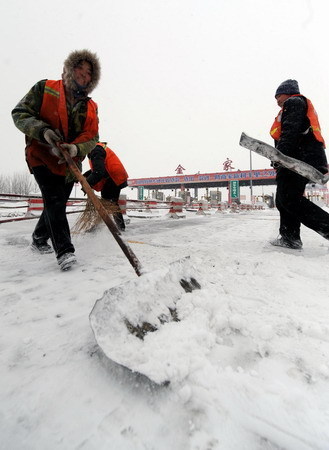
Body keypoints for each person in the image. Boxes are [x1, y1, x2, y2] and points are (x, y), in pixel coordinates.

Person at [12, 49, 101, 270]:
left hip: (69, 164)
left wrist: (75, 148)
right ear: (70, 69)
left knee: (56, 203)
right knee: (54, 201)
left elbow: (93, 137)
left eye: (88, 72)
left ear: (92, 78)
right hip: (41, 155)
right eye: (79, 68)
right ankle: (64, 252)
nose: (83, 73)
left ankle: (39, 238)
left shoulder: (90, 107)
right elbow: (20, 112)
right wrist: (43, 131)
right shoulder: (45, 88)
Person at [270, 79, 329, 249]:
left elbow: (290, 131)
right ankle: (290, 238)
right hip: (297, 158)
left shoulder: (294, 102)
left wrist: (280, 156)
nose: (277, 101)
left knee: (289, 199)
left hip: (299, 158)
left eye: (278, 96)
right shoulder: (294, 104)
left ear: (287, 93)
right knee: (284, 199)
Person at [83, 142, 128, 230]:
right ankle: (120, 227)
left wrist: (87, 184)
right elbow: (98, 167)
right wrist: (86, 175)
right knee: (112, 203)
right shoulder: (97, 149)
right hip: (114, 176)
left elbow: (99, 171)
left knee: (106, 202)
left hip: (113, 177)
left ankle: (98, 227)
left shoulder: (96, 150)